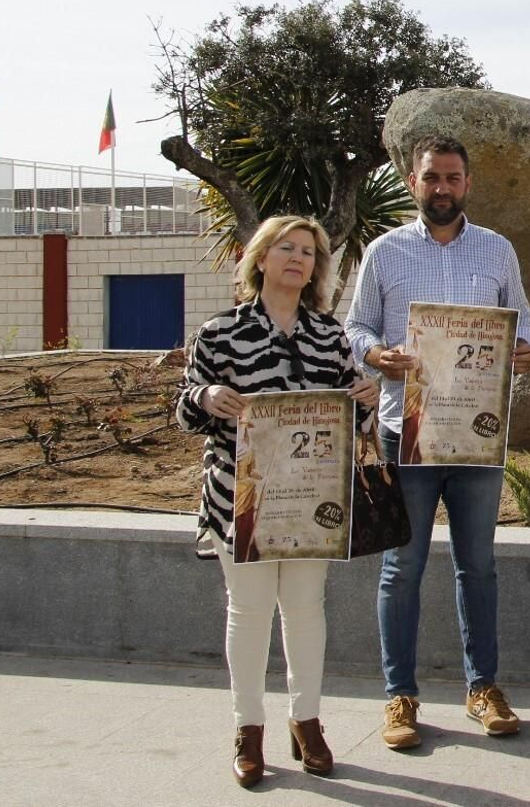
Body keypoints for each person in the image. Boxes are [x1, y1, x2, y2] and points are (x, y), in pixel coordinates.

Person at [345, 135, 530, 749]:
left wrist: (527, 350)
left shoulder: (497, 250)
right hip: (409, 434)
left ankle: (483, 687)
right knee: (401, 569)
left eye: (453, 178)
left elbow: (524, 324)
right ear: (413, 181)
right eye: (432, 177)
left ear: (467, 184)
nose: (442, 188)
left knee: (478, 567)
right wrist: (379, 355)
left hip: (477, 440)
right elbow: (354, 328)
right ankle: (399, 696)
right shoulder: (384, 252)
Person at [177, 215, 379, 787]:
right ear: (260, 258)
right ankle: (248, 730)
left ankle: (307, 721)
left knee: (306, 609)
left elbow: (352, 417)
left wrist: (364, 398)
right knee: (248, 613)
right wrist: (206, 395)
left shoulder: (330, 334)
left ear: (317, 268)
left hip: (313, 497)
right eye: (285, 248)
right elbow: (184, 408)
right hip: (240, 497)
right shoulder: (219, 332)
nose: (297, 258)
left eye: (308, 252)